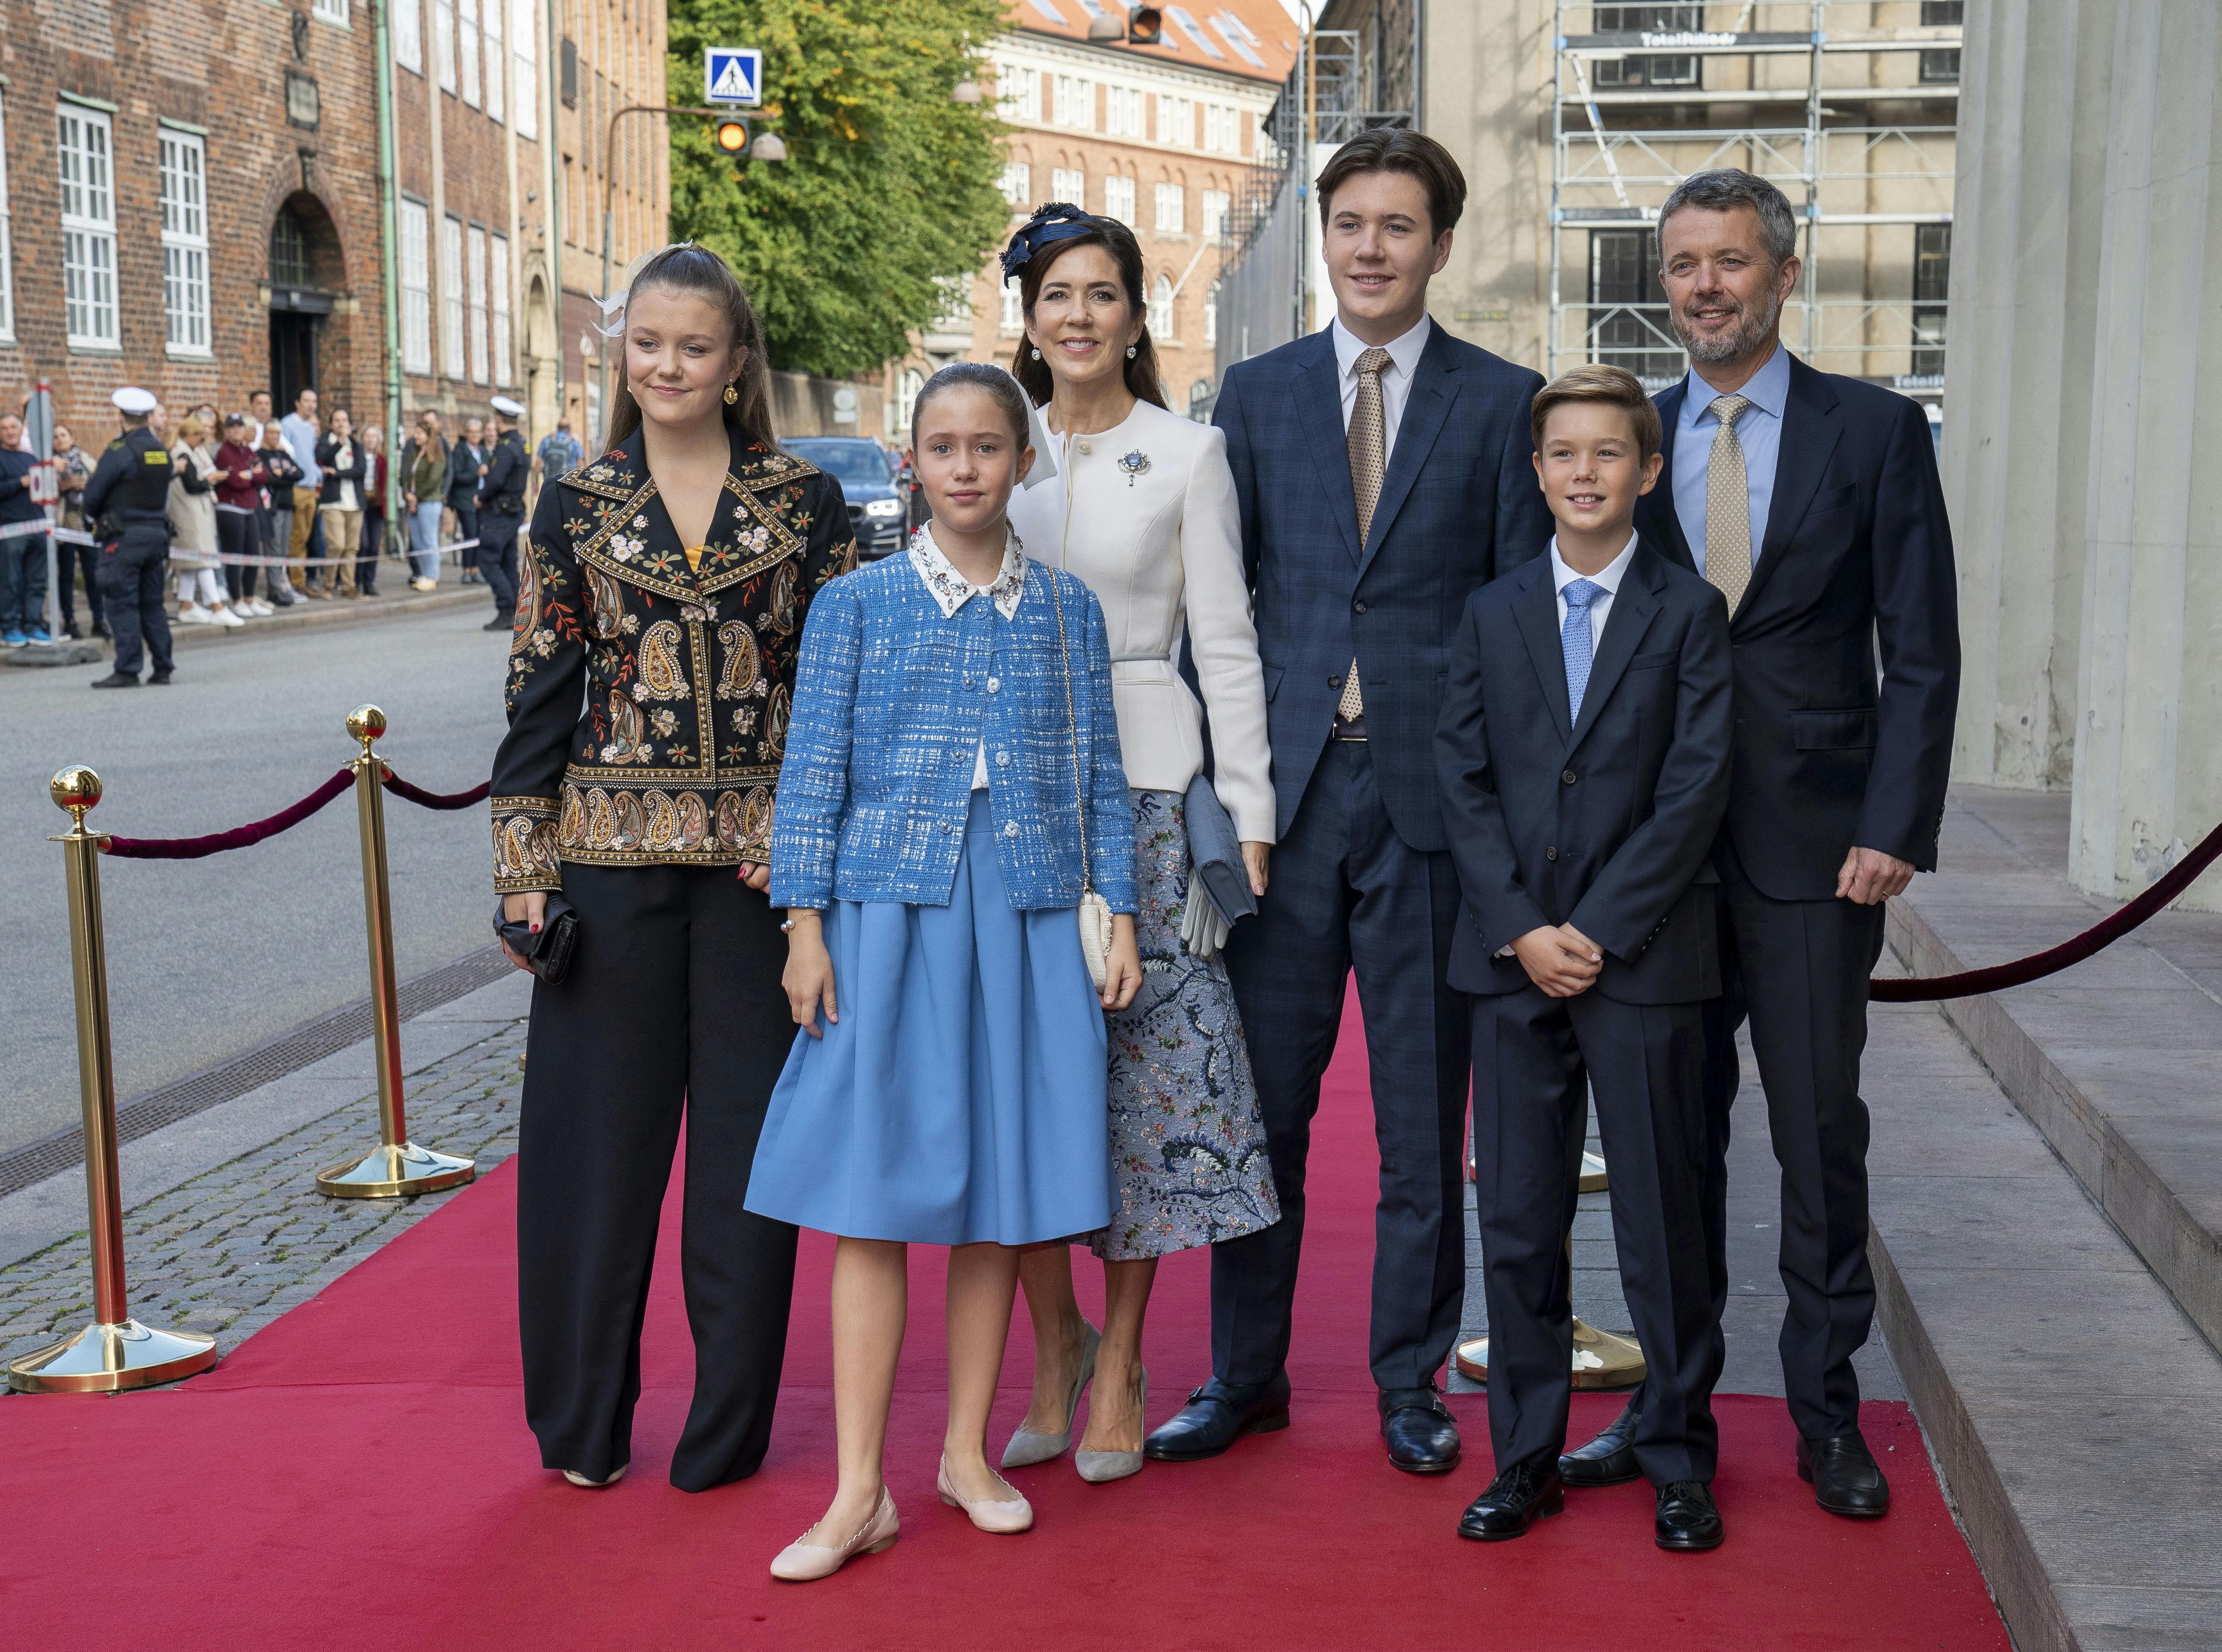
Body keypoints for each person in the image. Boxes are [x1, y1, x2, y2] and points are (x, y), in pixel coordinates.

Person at [1143, 129, 1554, 1475]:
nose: (1370, 249)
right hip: (1283, 807)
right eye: (1350, 224)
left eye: (1397, 226)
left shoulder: (1502, 402)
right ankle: (1242, 1375)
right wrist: (1213, 796)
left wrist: (1507, 818)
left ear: (1440, 244)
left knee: (1420, 1124)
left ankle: (1407, 1382)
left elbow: (1518, 626)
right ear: (1324, 239)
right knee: (1261, 1109)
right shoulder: (1255, 397)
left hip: (1434, 810)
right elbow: (1219, 605)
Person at [1560, 169, 1961, 1520]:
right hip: (1654, 860)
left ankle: (1825, 1414)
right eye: (1682, 264)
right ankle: (1666, 1408)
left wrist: (1894, 824)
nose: (1704, 287)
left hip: (1816, 849)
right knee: (1661, 1145)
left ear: (1782, 274)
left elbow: (1921, 646)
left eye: (1729, 261)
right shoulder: (1631, 436)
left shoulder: (1875, 430)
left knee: (1815, 1135)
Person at [746, 363, 1142, 1582]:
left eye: (987, 445)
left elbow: (1100, 773)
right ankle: (857, 1488)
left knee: (996, 1198)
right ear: (910, 462)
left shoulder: (1067, 611)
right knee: (871, 1201)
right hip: (887, 915)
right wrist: (803, 924)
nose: (965, 466)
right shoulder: (855, 605)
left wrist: (1121, 913)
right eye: (941, 446)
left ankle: (966, 1455)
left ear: (1022, 461)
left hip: (1025, 915)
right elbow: (811, 773)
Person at [490, 244, 857, 1498]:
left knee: (749, 1167)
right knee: (593, 1157)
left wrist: (811, 857)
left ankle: (725, 1431)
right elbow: (538, 692)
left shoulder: (805, 502)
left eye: (694, 346)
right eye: (647, 343)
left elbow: (834, 693)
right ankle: (581, 1426)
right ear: (621, 350)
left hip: (761, 880)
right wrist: (523, 868)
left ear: (736, 360)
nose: (667, 365)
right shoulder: (574, 503)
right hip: (605, 871)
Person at [994, 204, 1280, 1485]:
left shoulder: (1187, 452)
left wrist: (1250, 809)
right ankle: (1051, 1338)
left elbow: (1224, 640)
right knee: (1010, 1076)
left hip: (1150, 793)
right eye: (1056, 293)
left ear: (1133, 315)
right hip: (1005, 796)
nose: (1078, 315)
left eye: (1101, 293)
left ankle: (1119, 1360)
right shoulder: (991, 440)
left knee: (1145, 1086)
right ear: (1029, 314)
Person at [1436, 364, 1732, 1550]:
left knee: (1663, 1220)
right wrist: (1522, 926)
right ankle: (1523, 1458)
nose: (1582, 472)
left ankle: (1676, 1455)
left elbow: (1694, 784)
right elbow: (1459, 778)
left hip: (1643, 957)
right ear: (1536, 470)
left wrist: (1597, 927)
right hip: (1512, 962)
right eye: (1562, 453)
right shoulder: (1491, 610)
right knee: (1517, 1220)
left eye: (1607, 452)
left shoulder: (1687, 610)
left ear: (1646, 471)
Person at [82, 389, 178, 688]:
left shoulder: (119, 451)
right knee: (153, 604)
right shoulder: (160, 451)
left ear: (121, 417)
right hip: (156, 535)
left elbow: (93, 495)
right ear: (148, 418)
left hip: (124, 538)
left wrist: (95, 516)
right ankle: (163, 667)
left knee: (122, 603)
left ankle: (127, 669)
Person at [167, 414, 246, 627]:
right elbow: (192, 485)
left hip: (191, 511)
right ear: (191, 435)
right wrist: (211, 479)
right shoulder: (182, 453)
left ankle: (187, 605)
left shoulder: (184, 451)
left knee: (191, 562)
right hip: (189, 513)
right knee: (204, 559)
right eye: (200, 438)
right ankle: (216, 607)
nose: (202, 442)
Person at [213, 413, 274, 618]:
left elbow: (264, 475)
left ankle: (249, 598)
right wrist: (251, 475)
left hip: (250, 508)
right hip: (231, 509)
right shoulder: (224, 452)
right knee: (235, 557)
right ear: (226, 430)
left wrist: (248, 474)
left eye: (240, 426)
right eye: (233, 427)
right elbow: (234, 482)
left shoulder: (247, 450)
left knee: (253, 556)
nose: (237, 430)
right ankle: (236, 600)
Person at [475, 397, 527, 630]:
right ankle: (519, 611)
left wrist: (481, 497)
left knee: (488, 560)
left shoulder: (506, 447)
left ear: (498, 420)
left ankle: (507, 609)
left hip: (501, 512)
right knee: (507, 561)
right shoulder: (521, 443)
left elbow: (497, 480)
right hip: (513, 510)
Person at [49, 423, 102, 640]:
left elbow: (102, 485)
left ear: (72, 438)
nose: (60, 439)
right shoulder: (49, 463)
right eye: (55, 437)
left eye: (64, 435)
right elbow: (42, 493)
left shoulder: (86, 459)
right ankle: (70, 621)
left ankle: (99, 620)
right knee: (67, 574)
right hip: (64, 522)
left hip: (87, 521)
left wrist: (87, 485)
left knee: (94, 573)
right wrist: (62, 487)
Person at [0, 411, 49, 646]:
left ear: (22, 430)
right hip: (12, 527)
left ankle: (33, 626)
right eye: (4, 429)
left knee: (37, 582)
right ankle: (9, 628)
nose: (10, 432)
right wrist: (21, 482)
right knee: (10, 581)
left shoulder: (30, 458)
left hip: (38, 525)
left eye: (14, 427)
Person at [315, 408, 367, 599]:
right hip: (333, 502)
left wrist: (336, 473)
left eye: (344, 420)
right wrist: (340, 441)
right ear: (331, 425)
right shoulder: (324, 441)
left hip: (354, 502)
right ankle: (328, 586)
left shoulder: (356, 444)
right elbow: (325, 458)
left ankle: (348, 588)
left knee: (352, 547)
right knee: (337, 544)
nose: (341, 424)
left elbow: (360, 470)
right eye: (337, 421)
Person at [256, 418, 304, 610]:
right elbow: (269, 479)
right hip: (273, 507)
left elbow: (300, 474)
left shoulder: (284, 454)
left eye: (278, 433)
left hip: (288, 505)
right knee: (273, 549)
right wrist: (288, 475)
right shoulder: (260, 455)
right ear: (265, 434)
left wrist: (283, 474)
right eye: (271, 433)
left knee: (284, 550)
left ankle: (280, 587)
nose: (274, 437)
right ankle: (276, 591)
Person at [280, 390, 323, 598]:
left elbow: (310, 457)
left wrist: (318, 476)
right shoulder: (288, 425)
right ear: (297, 403)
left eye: (314, 402)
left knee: (305, 536)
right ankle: (296, 582)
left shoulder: (311, 428)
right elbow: (286, 455)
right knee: (296, 537)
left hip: (310, 488)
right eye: (307, 401)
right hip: (296, 486)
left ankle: (300, 579)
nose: (311, 405)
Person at [402, 410, 448, 590]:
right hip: (414, 503)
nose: (416, 436)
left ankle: (433, 576)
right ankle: (423, 574)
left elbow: (433, 481)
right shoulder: (415, 455)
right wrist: (407, 494)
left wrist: (416, 497)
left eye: (420, 433)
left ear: (429, 436)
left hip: (429, 502)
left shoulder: (437, 456)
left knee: (429, 540)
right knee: (417, 541)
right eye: (415, 433)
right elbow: (406, 477)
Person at [448, 416, 486, 585]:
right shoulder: (460, 451)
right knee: (470, 533)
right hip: (466, 500)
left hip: (482, 500)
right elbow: (457, 476)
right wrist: (475, 474)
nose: (475, 435)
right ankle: (466, 570)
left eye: (478, 432)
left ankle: (475, 569)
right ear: (466, 434)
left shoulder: (483, 451)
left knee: (479, 534)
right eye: (472, 432)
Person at [360, 424, 388, 596]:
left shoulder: (382, 460)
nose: (370, 440)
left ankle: (369, 582)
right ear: (362, 439)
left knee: (374, 545)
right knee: (363, 544)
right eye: (367, 436)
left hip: (377, 507)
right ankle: (358, 579)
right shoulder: (358, 457)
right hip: (361, 505)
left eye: (374, 436)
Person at [535, 413, 583, 494]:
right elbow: (581, 465)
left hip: (549, 486)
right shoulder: (574, 442)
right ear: (569, 428)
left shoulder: (546, 440)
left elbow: (538, 463)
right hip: (568, 487)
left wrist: (536, 484)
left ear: (558, 427)